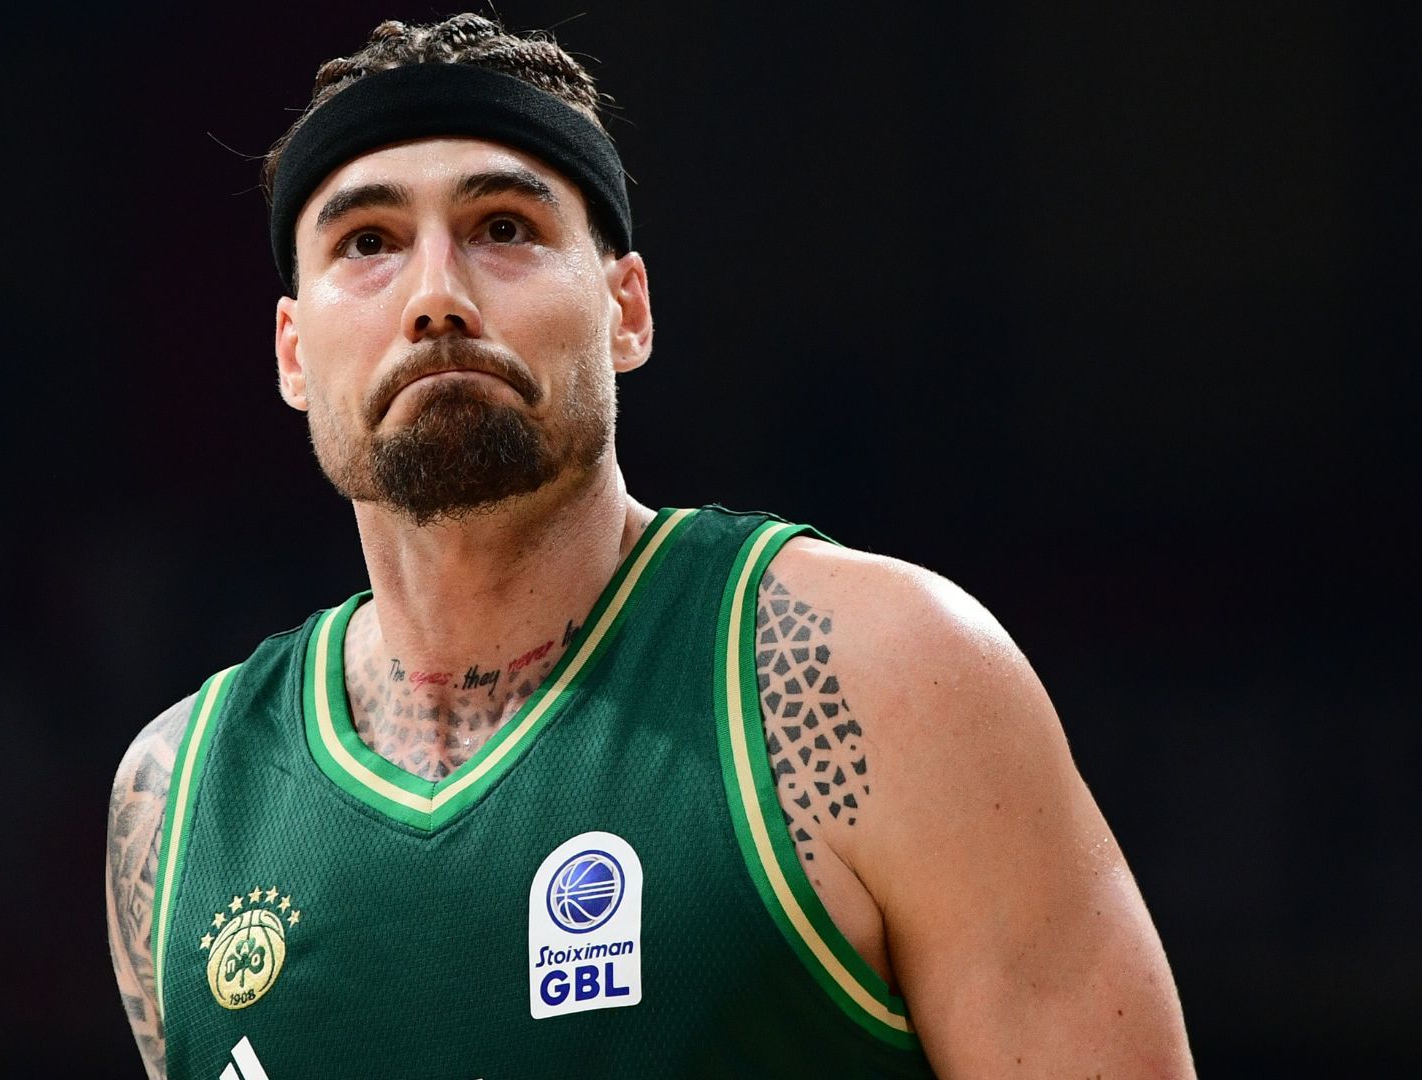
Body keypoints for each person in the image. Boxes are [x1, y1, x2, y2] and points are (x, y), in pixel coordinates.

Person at [105, 13, 1194, 1078]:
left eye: (503, 228)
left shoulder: (881, 675)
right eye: (368, 244)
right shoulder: (176, 805)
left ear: (626, 310)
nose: (436, 297)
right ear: (293, 352)